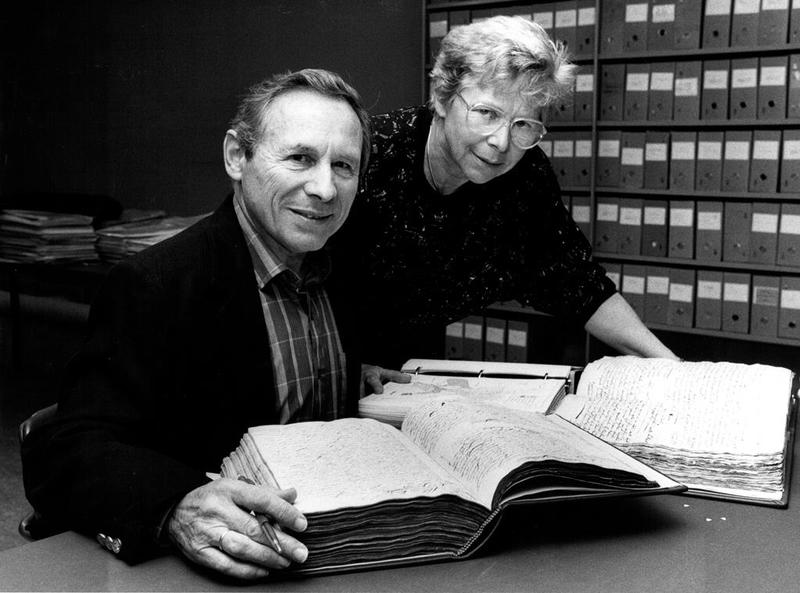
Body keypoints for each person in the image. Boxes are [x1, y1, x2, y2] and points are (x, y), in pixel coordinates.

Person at [22, 68, 371, 580]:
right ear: (236, 156)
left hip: (340, 550)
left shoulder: (348, 269)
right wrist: (176, 507)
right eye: (300, 157)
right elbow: (70, 449)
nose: (324, 188)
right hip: (215, 569)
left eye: (344, 166)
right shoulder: (155, 284)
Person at [332, 16, 678, 390]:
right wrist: (346, 366)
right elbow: (299, 277)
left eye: (523, 124)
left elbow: (579, 285)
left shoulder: (524, 179)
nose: (501, 142)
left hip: (405, 374)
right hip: (323, 364)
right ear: (442, 99)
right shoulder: (371, 155)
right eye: (487, 113)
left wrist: (672, 367)